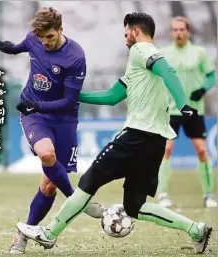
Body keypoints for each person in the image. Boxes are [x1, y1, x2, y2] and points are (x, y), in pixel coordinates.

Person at [16, 13, 212, 254]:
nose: (125, 39)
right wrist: (73, 97)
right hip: (155, 142)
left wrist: (183, 105)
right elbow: (112, 96)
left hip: (136, 137)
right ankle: (196, 229)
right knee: (135, 207)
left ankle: (49, 233)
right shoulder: (139, 63)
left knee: (90, 181)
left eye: (126, 33)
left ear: (136, 32)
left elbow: (168, 71)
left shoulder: (141, 49)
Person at [0, 7, 104, 254]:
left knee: (48, 186)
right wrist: (11, 48)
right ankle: (79, 201)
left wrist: (38, 104)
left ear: (61, 30)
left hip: (63, 118)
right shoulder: (35, 38)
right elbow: (24, 45)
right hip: (35, 115)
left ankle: (22, 235)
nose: (45, 42)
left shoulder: (75, 56)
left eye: (50, 37)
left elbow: (69, 101)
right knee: (46, 154)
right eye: (42, 37)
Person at [157, 16, 217, 208]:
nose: (179, 33)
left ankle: (208, 195)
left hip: (193, 110)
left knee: (201, 150)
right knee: (166, 150)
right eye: (175, 30)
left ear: (188, 31)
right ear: (171, 32)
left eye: (182, 29)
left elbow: (211, 76)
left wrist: (203, 89)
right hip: (171, 110)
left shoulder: (199, 53)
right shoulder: (163, 53)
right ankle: (162, 194)